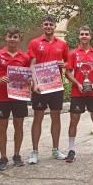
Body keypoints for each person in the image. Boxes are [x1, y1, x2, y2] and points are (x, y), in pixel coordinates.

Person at [27, 15, 69, 164]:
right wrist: (34, 83)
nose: (48, 27)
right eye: (46, 24)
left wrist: (64, 65)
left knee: (56, 117)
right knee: (38, 118)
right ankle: (34, 152)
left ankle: (56, 150)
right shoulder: (34, 43)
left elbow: (68, 62)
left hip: (56, 87)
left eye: (51, 24)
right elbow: (31, 64)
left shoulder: (62, 44)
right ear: (42, 26)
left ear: (55, 26)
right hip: (40, 87)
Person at [0, 27, 30, 170]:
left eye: (15, 37)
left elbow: (30, 75)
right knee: (2, 128)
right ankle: (3, 157)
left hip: (19, 98)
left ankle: (17, 155)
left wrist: (28, 82)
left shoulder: (25, 57)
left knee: (19, 127)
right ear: (5, 38)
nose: (12, 39)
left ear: (20, 39)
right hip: (2, 98)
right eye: (10, 36)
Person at [65, 26, 93, 163]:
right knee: (74, 120)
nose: (84, 36)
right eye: (82, 34)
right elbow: (68, 72)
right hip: (78, 92)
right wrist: (77, 83)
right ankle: (71, 150)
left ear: (90, 36)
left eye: (86, 34)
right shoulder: (73, 53)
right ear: (79, 36)